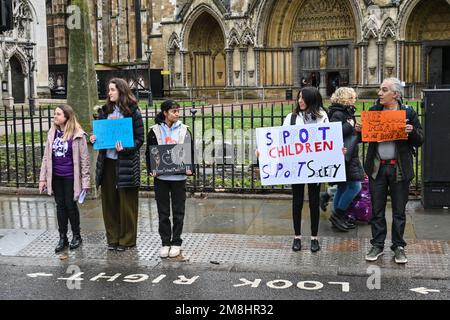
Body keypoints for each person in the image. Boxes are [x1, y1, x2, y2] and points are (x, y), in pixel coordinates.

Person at [364, 78, 424, 264]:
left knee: (399, 210)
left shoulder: (408, 112)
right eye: (380, 90)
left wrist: (411, 131)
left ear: (395, 94)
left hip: (399, 168)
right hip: (377, 168)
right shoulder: (374, 111)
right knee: (377, 209)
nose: (379, 93)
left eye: (384, 90)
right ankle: (378, 244)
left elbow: (420, 139)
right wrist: (360, 130)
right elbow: (366, 137)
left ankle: (398, 246)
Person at [90, 78, 144, 252]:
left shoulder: (133, 111)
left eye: (112, 89)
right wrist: (94, 139)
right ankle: (112, 238)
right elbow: (100, 135)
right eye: (109, 90)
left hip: (126, 163)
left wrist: (126, 148)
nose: (109, 93)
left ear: (121, 90)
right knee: (109, 202)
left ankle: (127, 240)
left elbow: (139, 139)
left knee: (127, 203)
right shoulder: (104, 111)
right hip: (107, 163)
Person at [282, 87, 329, 253]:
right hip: (297, 166)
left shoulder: (322, 117)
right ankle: (297, 236)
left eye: (303, 98)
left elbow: (328, 140)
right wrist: (264, 152)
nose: (300, 100)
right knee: (297, 201)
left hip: (315, 166)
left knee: (314, 202)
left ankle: (314, 237)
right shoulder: (291, 118)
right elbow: (281, 140)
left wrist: (338, 150)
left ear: (312, 99)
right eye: (299, 97)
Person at [145, 100, 194, 259]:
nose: (177, 114)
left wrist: (190, 168)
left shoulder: (185, 130)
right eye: (173, 111)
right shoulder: (154, 130)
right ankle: (165, 242)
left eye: (178, 111)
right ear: (165, 113)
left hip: (179, 177)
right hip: (161, 177)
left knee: (178, 212)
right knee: (163, 212)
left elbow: (190, 151)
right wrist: (152, 169)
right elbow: (149, 152)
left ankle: (176, 242)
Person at [39, 104, 90, 253]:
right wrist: (42, 178)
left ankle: (77, 236)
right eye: (55, 114)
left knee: (70, 205)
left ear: (67, 117)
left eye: (58, 114)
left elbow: (85, 161)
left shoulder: (78, 134)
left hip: (70, 177)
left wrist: (85, 183)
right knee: (60, 206)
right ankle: (63, 237)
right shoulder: (52, 132)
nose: (55, 116)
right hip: (56, 176)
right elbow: (46, 157)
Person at [328, 87, 364, 232]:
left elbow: (351, 135)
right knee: (355, 186)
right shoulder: (337, 113)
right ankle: (338, 215)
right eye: (351, 97)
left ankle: (337, 218)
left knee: (343, 187)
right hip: (344, 156)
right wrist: (350, 126)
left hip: (349, 154)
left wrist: (357, 130)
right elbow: (334, 133)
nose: (354, 100)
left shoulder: (347, 112)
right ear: (343, 98)